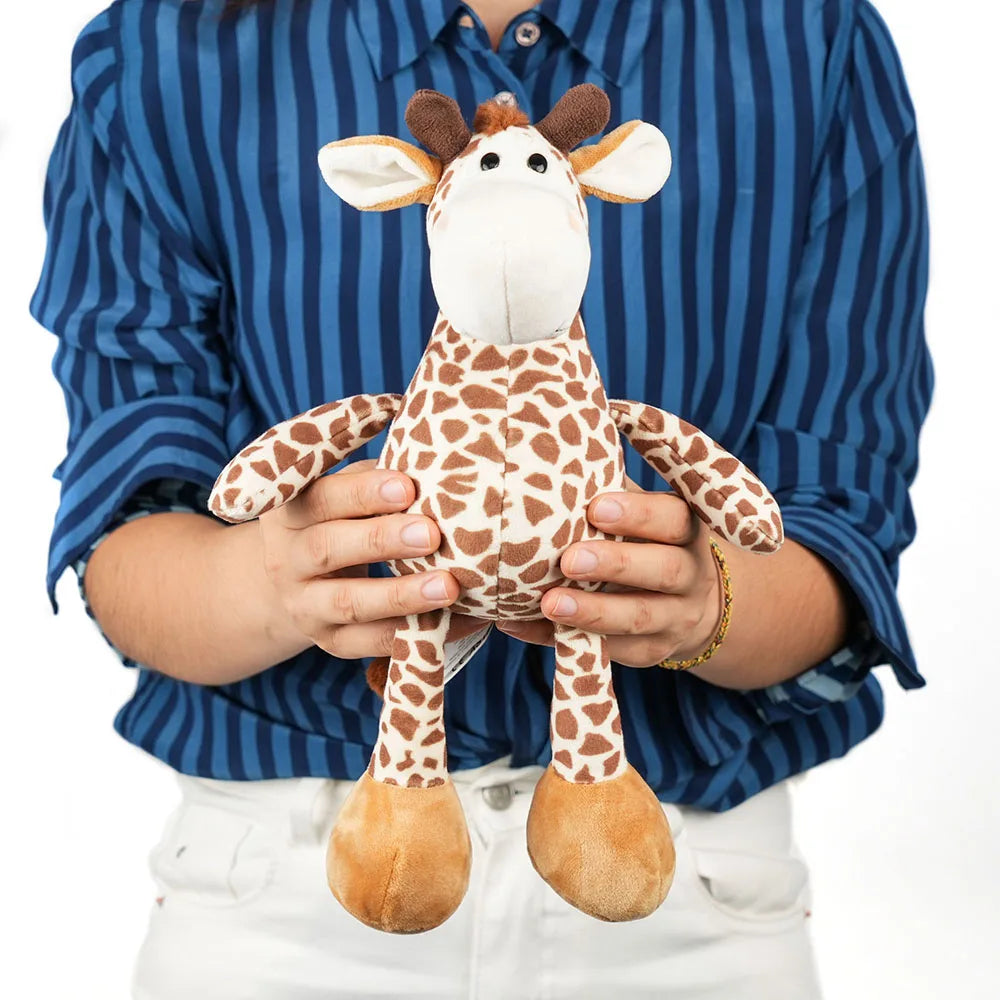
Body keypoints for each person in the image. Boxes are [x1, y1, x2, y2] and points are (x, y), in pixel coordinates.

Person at [30, 0, 931, 997]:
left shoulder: (807, 38)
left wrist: (708, 600)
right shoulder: (164, 53)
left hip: (681, 887)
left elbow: (841, 522)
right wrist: (269, 584)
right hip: (291, 894)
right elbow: (126, 518)